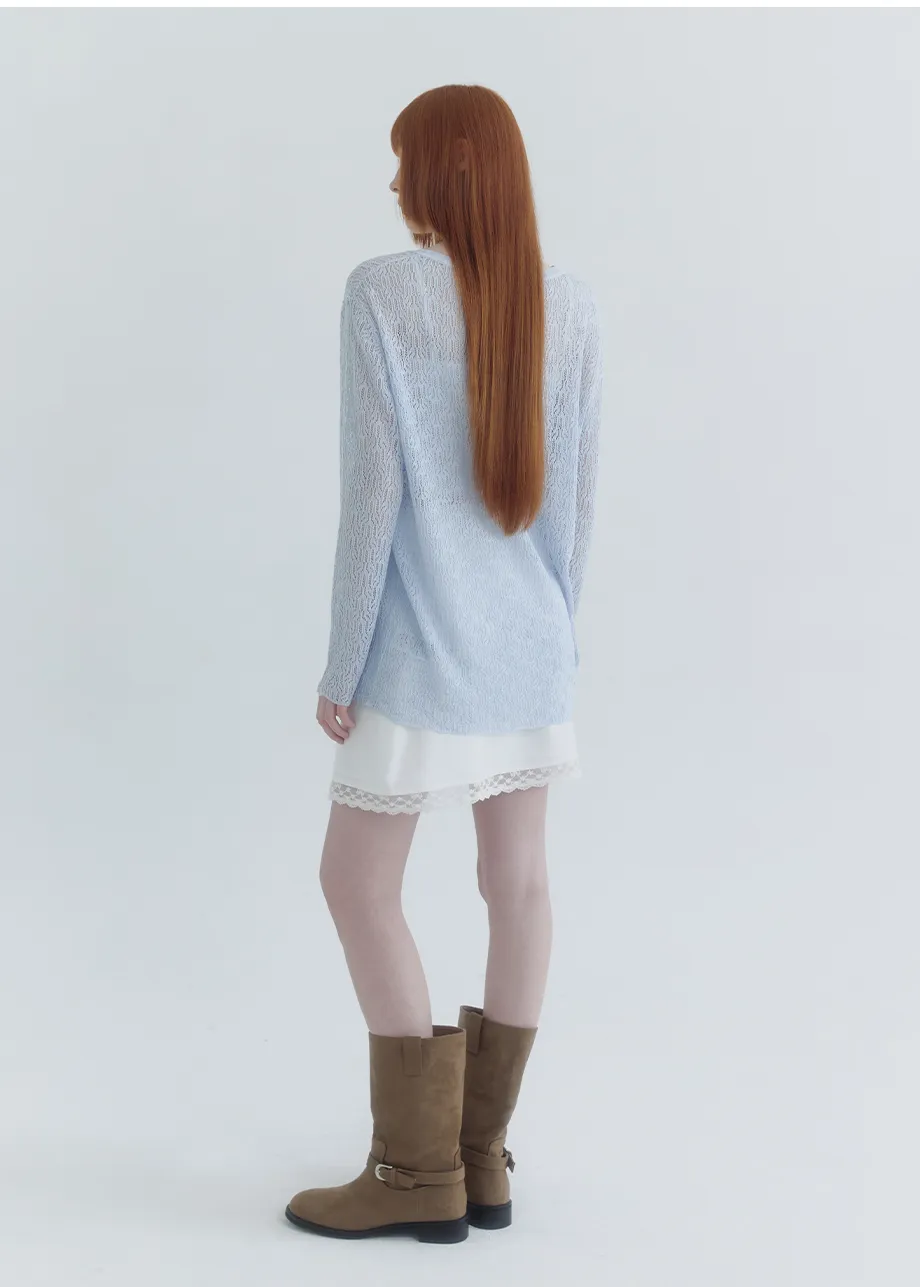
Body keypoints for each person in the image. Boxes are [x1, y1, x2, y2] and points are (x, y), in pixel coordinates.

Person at [285, 83, 602, 1244]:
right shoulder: (567, 304)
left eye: (402, 158)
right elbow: (572, 510)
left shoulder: (384, 292)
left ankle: (416, 1171)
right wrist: (555, 642)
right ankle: (480, 1158)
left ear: (445, 168)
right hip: (530, 651)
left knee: (354, 882)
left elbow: (370, 501)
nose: (390, 182)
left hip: (418, 651)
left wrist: (342, 660)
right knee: (517, 885)